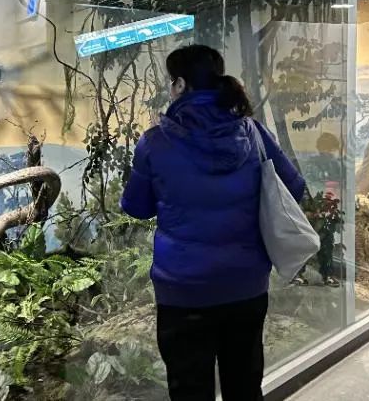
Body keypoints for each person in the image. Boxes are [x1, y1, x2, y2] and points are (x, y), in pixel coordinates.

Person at [120, 44, 305, 400]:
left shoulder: (155, 142)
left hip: (183, 290)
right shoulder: (252, 132)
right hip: (246, 284)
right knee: (244, 386)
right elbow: (293, 188)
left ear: (179, 85)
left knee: (190, 390)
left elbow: (136, 207)